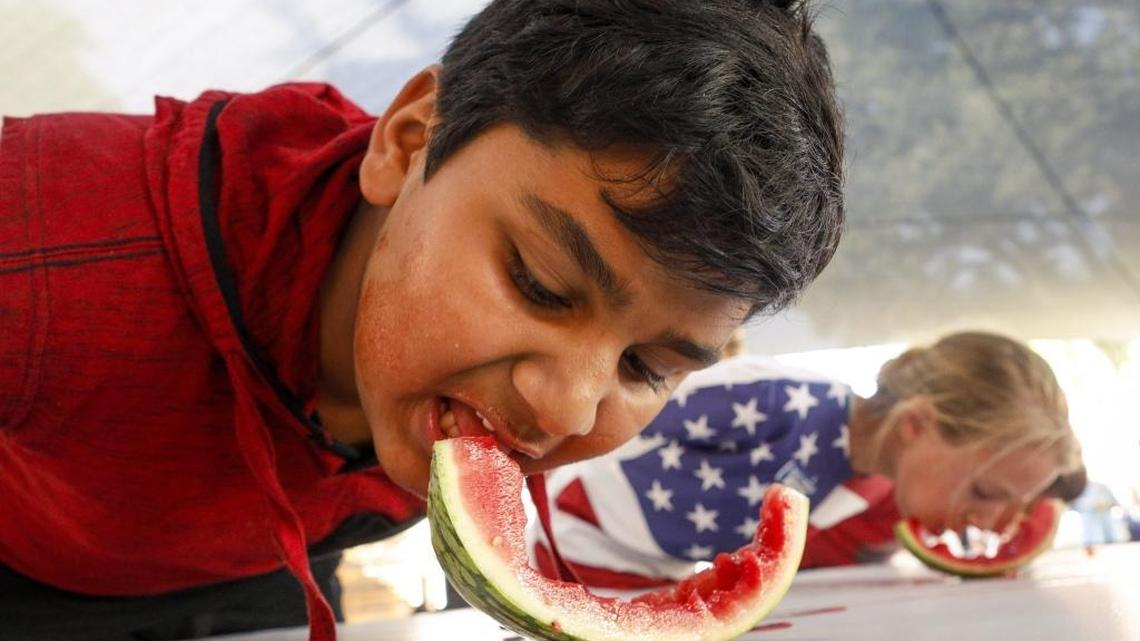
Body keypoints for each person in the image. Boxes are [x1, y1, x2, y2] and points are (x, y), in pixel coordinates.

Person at [0, 0, 845, 639]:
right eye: (541, 284)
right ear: (407, 142)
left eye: (645, 368)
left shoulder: (442, 379)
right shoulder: (42, 247)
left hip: (246, 570)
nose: (567, 412)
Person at [528, 332, 1086, 587]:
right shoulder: (778, 398)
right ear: (917, 425)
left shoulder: (868, 489)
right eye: (987, 494)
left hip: (648, 581)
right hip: (563, 548)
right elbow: (601, 427)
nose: (988, 524)